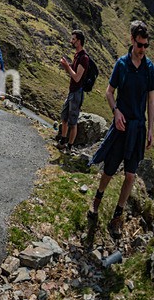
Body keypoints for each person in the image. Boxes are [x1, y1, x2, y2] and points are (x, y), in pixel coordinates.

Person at [88, 20, 154, 240]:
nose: (143, 49)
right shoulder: (122, 64)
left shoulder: (150, 68)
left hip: (138, 128)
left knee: (130, 175)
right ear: (132, 40)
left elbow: (151, 100)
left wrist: (151, 128)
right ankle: (97, 201)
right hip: (121, 125)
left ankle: (117, 217)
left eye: (146, 45)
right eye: (139, 45)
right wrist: (115, 111)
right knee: (109, 170)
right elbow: (108, 92)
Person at [57, 30, 89, 152]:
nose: (71, 41)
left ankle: (69, 147)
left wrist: (67, 67)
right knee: (64, 117)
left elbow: (77, 77)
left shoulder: (84, 58)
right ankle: (63, 141)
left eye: (73, 39)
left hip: (77, 93)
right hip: (72, 91)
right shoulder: (77, 55)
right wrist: (67, 66)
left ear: (79, 41)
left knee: (73, 121)